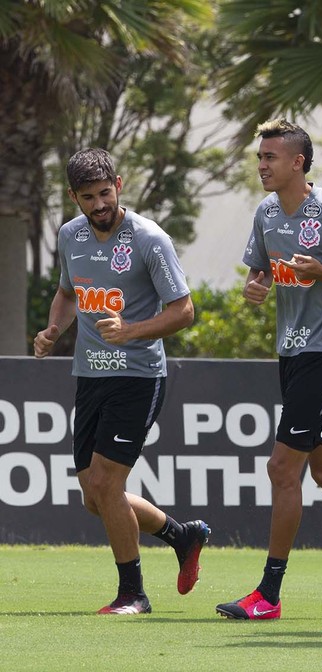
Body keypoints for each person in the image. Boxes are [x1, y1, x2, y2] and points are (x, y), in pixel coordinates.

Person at [216, 120, 322, 620]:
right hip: (289, 351)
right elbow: (262, 268)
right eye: (259, 157)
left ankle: (268, 594)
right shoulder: (266, 212)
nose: (262, 165)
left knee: (282, 467)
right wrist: (257, 284)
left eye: (270, 157)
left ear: (298, 162)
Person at [34, 148, 209, 615]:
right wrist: (54, 329)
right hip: (89, 375)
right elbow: (67, 294)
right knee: (95, 497)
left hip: (138, 376)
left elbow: (184, 311)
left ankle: (133, 593)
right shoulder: (70, 235)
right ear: (73, 197)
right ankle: (181, 535)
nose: (99, 205)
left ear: (119, 185)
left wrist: (131, 331)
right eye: (88, 197)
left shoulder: (150, 239)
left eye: (104, 193)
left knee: (107, 484)